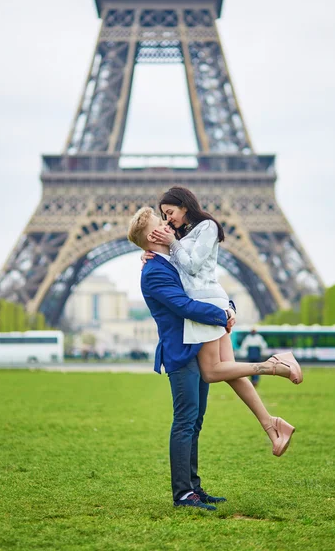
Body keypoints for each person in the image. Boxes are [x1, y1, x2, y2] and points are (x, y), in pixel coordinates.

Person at [141, 187, 302, 455]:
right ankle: (271, 424)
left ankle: (275, 365)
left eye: (170, 213)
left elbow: (192, 267)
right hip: (208, 305)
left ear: (184, 206)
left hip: (206, 307)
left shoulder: (206, 226)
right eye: (163, 216)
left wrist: (171, 243)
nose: (167, 220)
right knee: (229, 371)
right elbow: (180, 269)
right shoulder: (183, 234)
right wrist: (152, 252)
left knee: (212, 371)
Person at [128, 207, 236, 511]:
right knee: (185, 421)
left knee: (195, 420)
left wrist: (227, 306)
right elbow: (184, 305)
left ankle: (194, 488)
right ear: (153, 236)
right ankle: (183, 495)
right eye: (161, 222)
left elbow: (203, 284)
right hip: (181, 351)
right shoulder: (154, 271)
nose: (168, 223)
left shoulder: (170, 261)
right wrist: (222, 315)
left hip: (197, 345)